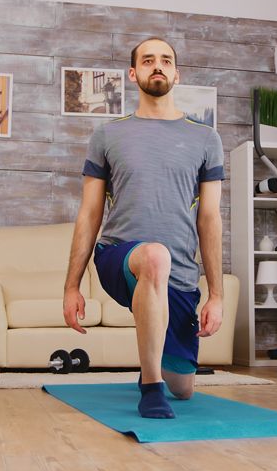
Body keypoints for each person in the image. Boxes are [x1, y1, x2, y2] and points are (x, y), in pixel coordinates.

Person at [62, 37, 225, 419]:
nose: (158, 65)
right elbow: (89, 213)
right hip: (120, 257)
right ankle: (150, 388)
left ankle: (160, 376)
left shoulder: (205, 139)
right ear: (133, 73)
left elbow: (210, 218)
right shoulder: (107, 135)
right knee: (154, 255)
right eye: (148, 60)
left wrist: (215, 295)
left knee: (183, 388)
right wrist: (72, 286)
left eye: (166, 60)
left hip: (181, 276)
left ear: (176, 73)